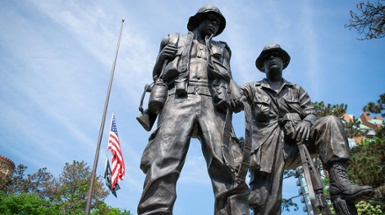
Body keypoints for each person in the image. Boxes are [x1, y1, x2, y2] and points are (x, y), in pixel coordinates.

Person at [137, 5, 249, 215]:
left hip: (213, 103)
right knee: (164, 159)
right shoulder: (172, 39)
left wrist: (238, 97)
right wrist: (161, 58)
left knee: (227, 163)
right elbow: (156, 75)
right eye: (210, 19)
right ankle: (154, 211)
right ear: (198, 20)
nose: (214, 24)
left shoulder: (222, 48)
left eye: (217, 22)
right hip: (178, 98)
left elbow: (229, 77)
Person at [240, 44, 374, 214]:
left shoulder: (296, 90)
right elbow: (233, 98)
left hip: (297, 143)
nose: (272, 59)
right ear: (262, 65)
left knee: (330, 122)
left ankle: (339, 183)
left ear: (283, 62)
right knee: (265, 203)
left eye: (276, 55)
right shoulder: (252, 88)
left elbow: (310, 112)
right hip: (268, 150)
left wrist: (307, 123)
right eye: (267, 57)